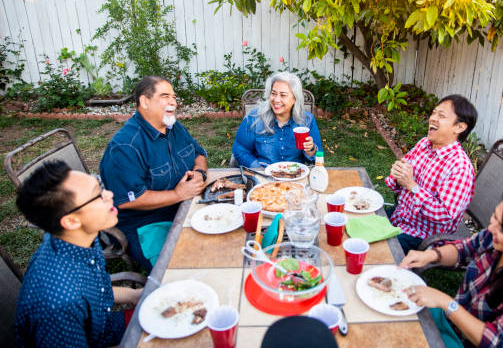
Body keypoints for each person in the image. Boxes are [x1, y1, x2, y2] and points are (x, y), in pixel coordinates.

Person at [400, 187, 503, 347]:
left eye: (502, 228)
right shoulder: (494, 239)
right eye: (495, 217)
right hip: (453, 327)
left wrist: (447, 303)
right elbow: (465, 249)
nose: (491, 228)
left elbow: (498, 342)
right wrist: (431, 255)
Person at [14, 160, 142, 348]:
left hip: (104, 327)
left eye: (100, 185)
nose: (109, 194)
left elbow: (98, 291)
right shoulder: (58, 304)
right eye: (97, 195)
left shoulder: (78, 238)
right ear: (71, 221)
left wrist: (137, 295)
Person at [100, 76, 208, 272]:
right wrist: (178, 195)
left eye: (174, 97)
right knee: (180, 271)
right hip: (147, 223)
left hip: (185, 206)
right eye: (165, 96)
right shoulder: (126, 146)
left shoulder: (173, 127)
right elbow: (127, 200)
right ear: (145, 102)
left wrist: (200, 173)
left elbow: (199, 153)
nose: (173, 102)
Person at [385, 94, 477, 253]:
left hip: (423, 235)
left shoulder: (460, 168)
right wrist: (398, 175)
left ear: (459, 127)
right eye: (434, 113)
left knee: (375, 250)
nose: (433, 118)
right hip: (400, 216)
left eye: (441, 116)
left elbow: (444, 215)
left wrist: (412, 186)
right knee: (357, 221)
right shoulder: (424, 144)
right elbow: (398, 179)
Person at [232, 72, 323, 167]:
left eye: (283, 95)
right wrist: (260, 170)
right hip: (262, 176)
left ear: (294, 98)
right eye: (273, 93)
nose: (276, 100)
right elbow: (240, 151)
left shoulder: (306, 120)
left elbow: (317, 156)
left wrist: (311, 150)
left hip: (295, 175)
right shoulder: (254, 118)